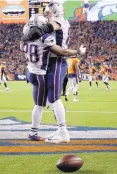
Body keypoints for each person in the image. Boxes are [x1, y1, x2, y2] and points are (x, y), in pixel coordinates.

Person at [21, 13, 86, 143]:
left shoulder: (24, 39)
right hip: (40, 74)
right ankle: (50, 131)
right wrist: (78, 51)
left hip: (30, 71)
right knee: (45, 102)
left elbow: (23, 43)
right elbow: (63, 52)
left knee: (39, 104)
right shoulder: (45, 38)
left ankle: (33, 132)